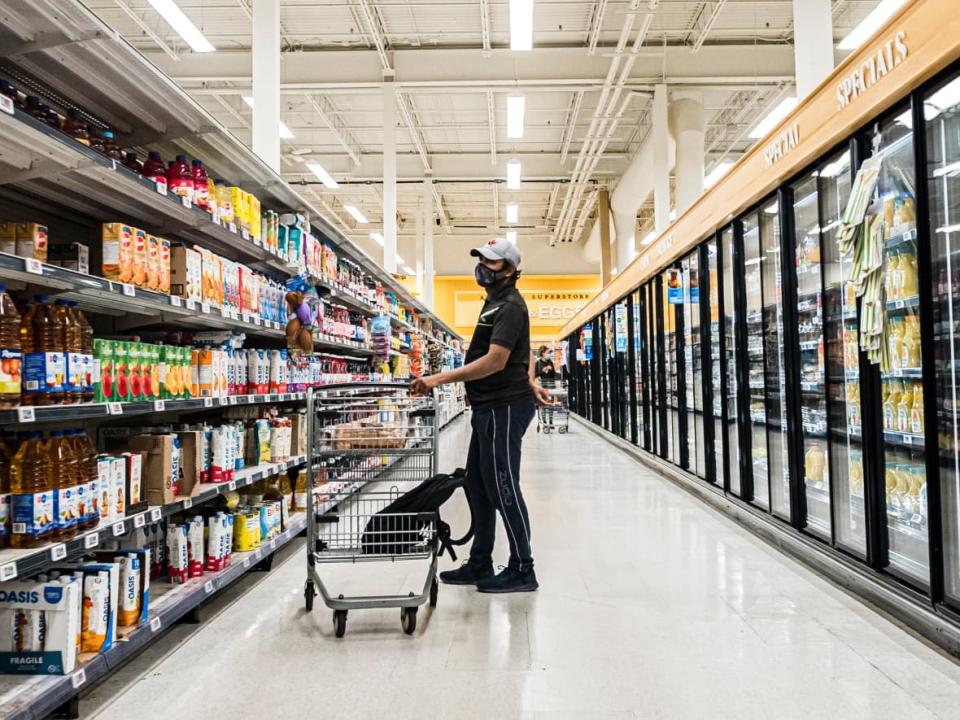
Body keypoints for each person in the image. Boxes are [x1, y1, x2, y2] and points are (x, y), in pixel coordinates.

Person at [411, 238, 551, 593]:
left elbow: (496, 360)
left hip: (504, 407)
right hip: (489, 408)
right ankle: (480, 562)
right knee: (477, 483)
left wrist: (438, 379)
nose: (483, 268)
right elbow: (524, 350)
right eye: (482, 261)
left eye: (492, 263)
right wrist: (531, 380)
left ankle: (523, 568)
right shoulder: (494, 304)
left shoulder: (510, 306)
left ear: (511, 270)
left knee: (504, 487)